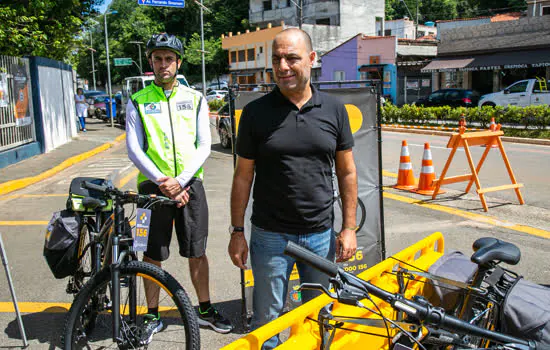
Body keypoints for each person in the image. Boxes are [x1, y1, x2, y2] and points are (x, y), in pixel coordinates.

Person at [228, 28, 358, 349]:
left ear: (312, 60)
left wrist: (349, 227)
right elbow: (243, 176)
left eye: (292, 58)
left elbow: (347, 171)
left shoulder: (334, 110)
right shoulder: (256, 113)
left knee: (317, 318)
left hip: (319, 236)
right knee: (268, 323)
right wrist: (236, 231)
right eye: (277, 59)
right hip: (270, 237)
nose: (283, 66)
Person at [126, 33, 233, 344]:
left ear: (178, 63)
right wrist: (165, 183)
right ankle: (152, 314)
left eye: (169, 59)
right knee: (150, 254)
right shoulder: (138, 101)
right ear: (151, 62)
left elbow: (203, 145)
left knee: (196, 251)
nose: (163, 64)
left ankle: (205, 308)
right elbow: (135, 149)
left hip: (190, 184)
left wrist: (181, 181)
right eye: (158, 58)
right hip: (151, 188)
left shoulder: (196, 98)